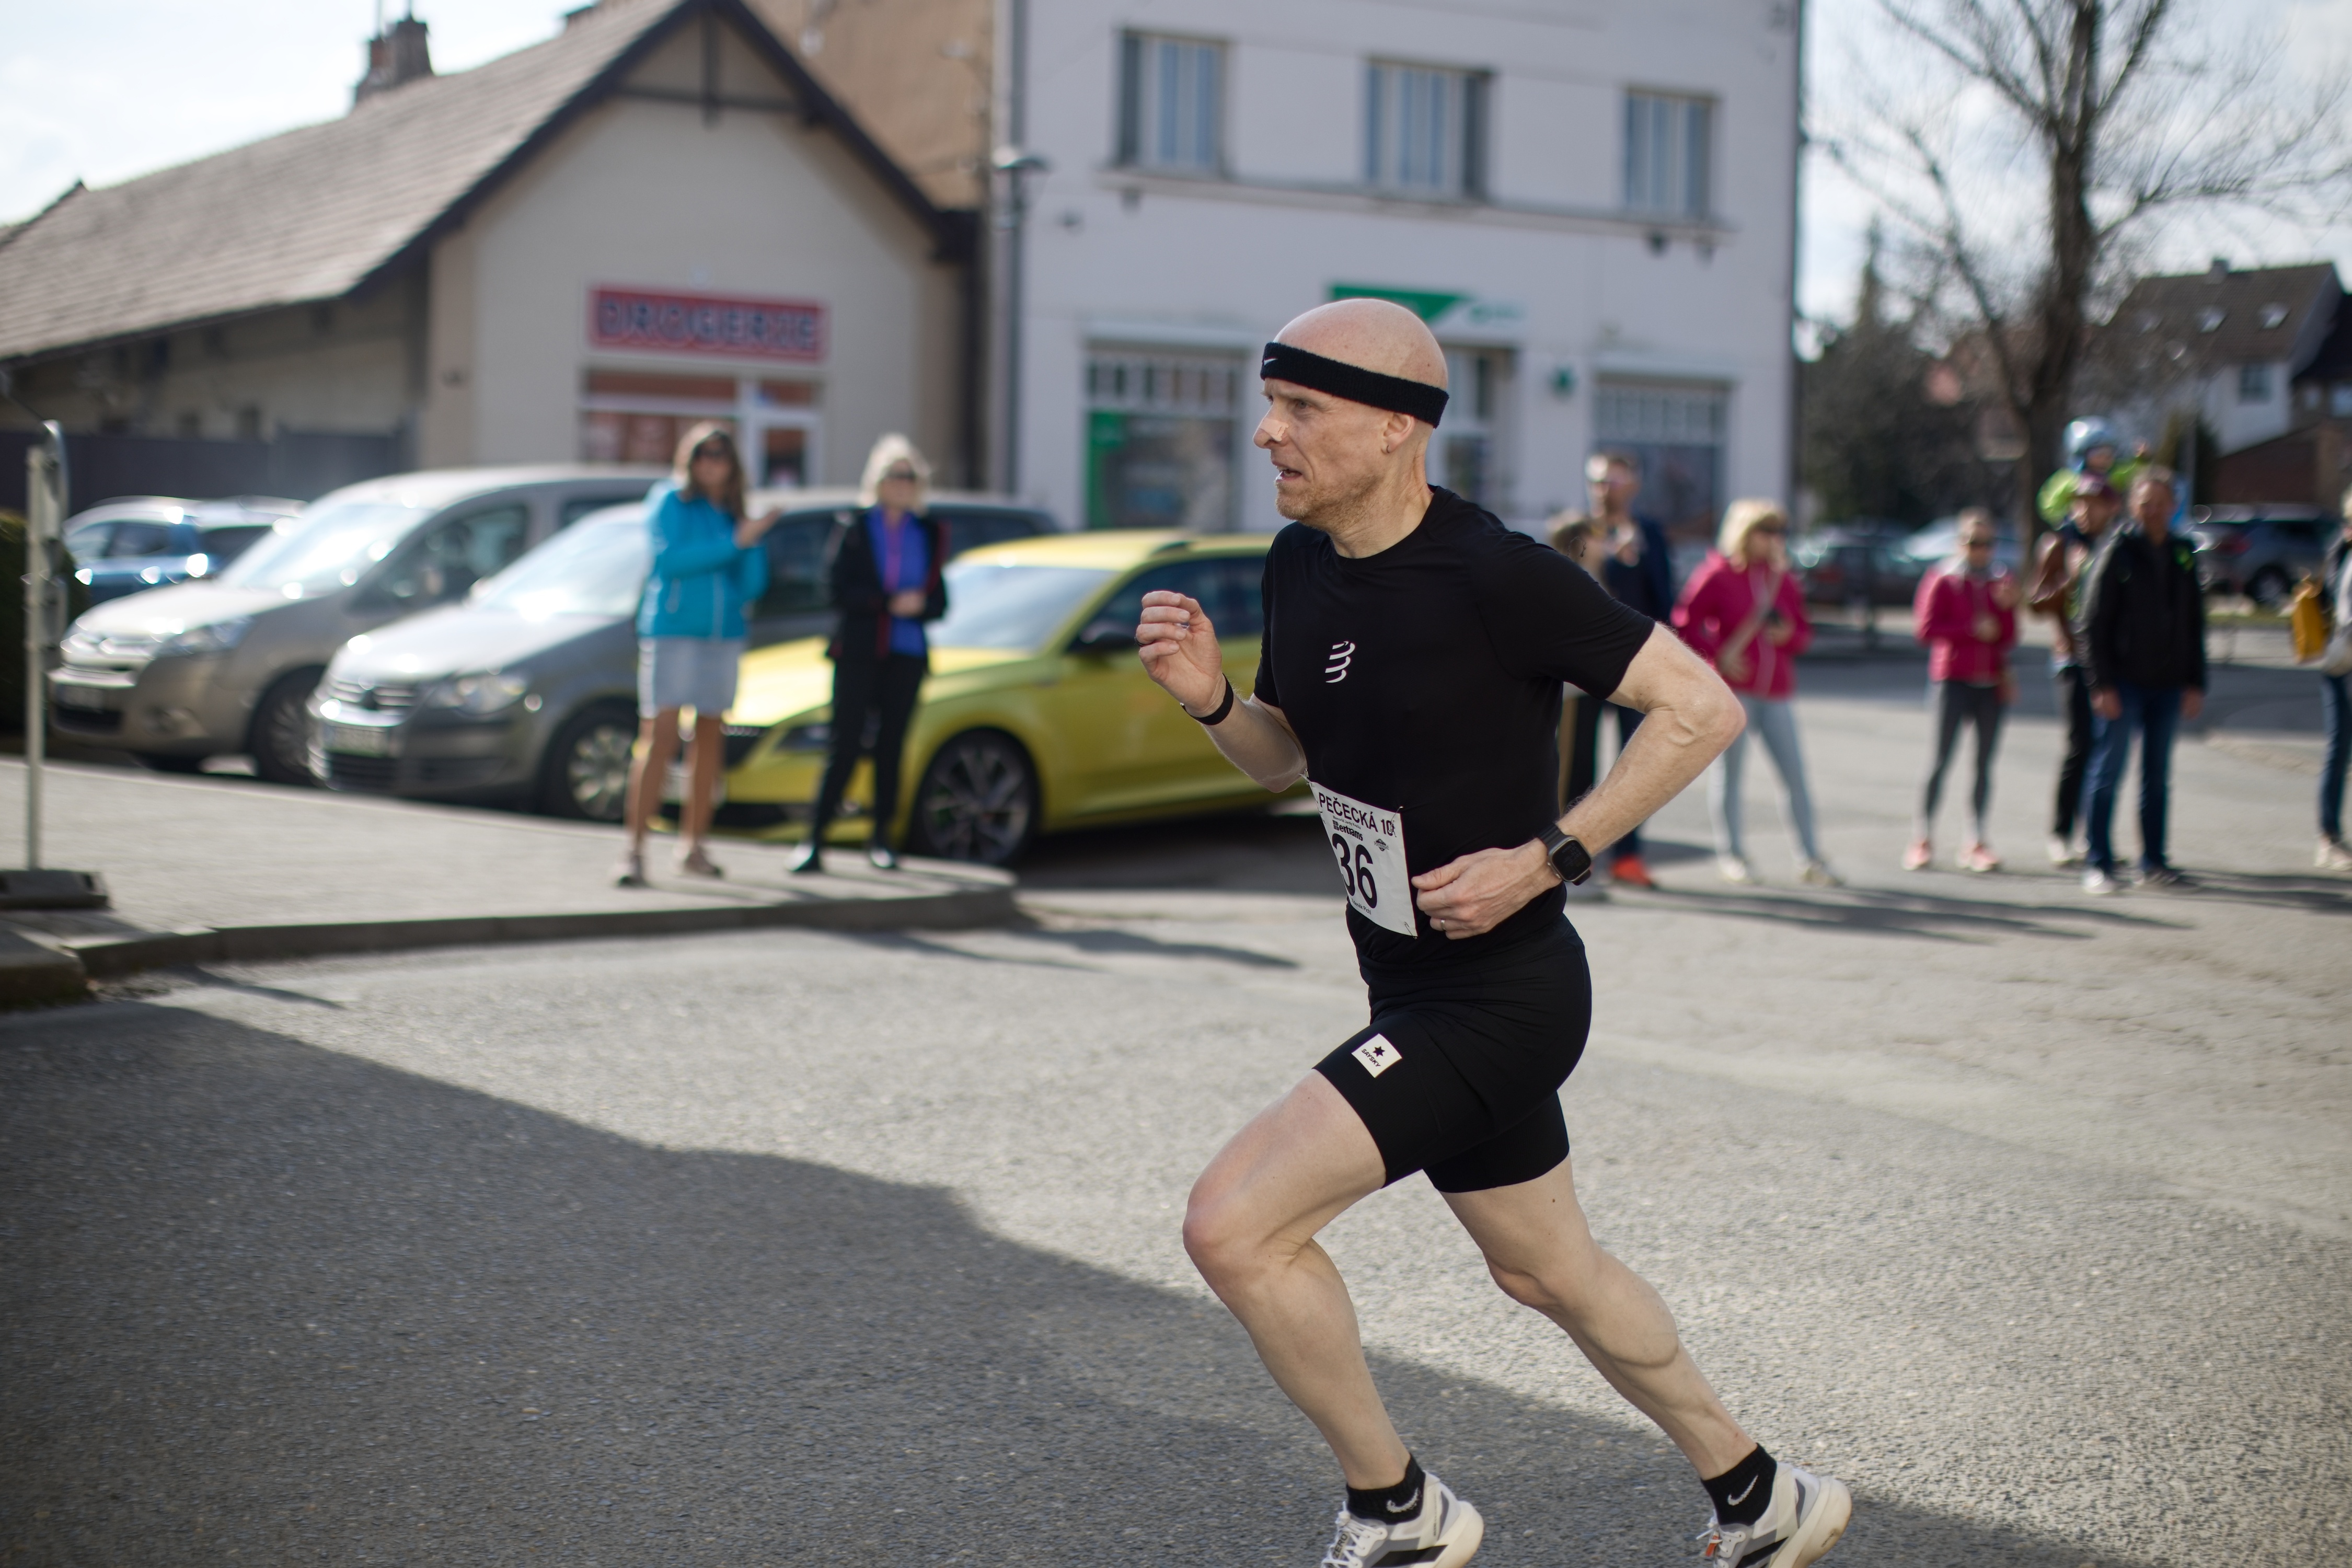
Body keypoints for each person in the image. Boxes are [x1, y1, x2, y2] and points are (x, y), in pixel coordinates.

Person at [1136, 297, 1851, 1568]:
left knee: (1232, 1224)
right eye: (1270, 404)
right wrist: (1214, 702)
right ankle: (1762, 1493)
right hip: (1407, 983)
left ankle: (1398, 1511)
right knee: (1547, 1272)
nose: (1267, 432)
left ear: (1396, 428)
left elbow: (1700, 708)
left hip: (1500, 998)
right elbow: (1286, 758)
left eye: (1300, 408)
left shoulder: (1497, 575)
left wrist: (1549, 856)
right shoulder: (1298, 562)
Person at [616, 424, 776, 887]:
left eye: (720, 454)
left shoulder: (734, 512)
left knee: (710, 738)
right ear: (689, 459)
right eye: (703, 453)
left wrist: (753, 540)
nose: (711, 462)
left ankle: (694, 847)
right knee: (660, 737)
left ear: (732, 463)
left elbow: (752, 586)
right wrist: (735, 543)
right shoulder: (669, 500)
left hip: (724, 637)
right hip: (673, 633)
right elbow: (670, 561)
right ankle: (634, 850)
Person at [794, 434, 948, 874]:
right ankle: (815, 838)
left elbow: (940, 601)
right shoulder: (856, 527)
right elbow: (835, 589)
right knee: (844, 744)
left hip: (907, 652)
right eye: (894, 476)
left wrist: (920, 605)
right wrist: (885, 603)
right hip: (860, 651)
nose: (902, 484)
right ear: (877, 482)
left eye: (909, 477)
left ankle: (881, 838)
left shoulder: (928, 532)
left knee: (891, 748)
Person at [1672, 501, 1841, 887]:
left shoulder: (1784, 579)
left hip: (1777, 691)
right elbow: (1685, 625)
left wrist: (1789, 636)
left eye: (1779, 532)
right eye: (1766, 531)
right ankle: (1733, 856)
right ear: (1745, 534)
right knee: (1730, 777)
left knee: (1794, 776)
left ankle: (1810, 857)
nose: (1774, 540)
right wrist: (1717, 657)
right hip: (1734, 693)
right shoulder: (1717, 574)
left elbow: (1803, 634)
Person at [2077, 467, 2205, 894]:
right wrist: (2101, 685)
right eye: (2145, 503)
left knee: (2157, 776)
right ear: (2133, 506)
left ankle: (2153, 861)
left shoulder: (2183, 553)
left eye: (2161, 503)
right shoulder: (2118, 552)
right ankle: (2098, 862)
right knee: (2108, 772)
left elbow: (2194, 622)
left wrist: (2195, 681)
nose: (2153, 511)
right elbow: (2091, 623)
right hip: (2123, 684)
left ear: (2174, 506)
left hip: (2168, 685)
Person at [1904, 509, 2020, 872]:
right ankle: (1922, 837)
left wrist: (2007, 609)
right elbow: (1925, 630)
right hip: (1951, 681)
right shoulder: (1943, 578)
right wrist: (1971, 629)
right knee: (1939, 760)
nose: (1979, 550)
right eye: (1972, 542)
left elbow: (2009, 636)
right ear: (1960, 543)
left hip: (1990, 683)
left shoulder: (2001, 581)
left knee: (1984, 765)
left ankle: (1976, 840)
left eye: (1986, 543)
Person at [1585, 451, 1677, 888]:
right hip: (1582, 669)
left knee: (1636, 768)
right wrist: (1603, 556)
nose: (1606, 491)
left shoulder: (1650, 533)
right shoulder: (1577, 531)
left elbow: (1665, 598)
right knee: (1578, 767)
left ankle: (1628, 857)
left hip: (1636, 668)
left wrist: (1636, 556)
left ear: (1634, 487)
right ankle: (1576, 857)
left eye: (1615, 482)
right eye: (1599, 482)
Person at [2026, 474, 2122, 867]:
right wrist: (2071, 581)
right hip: (2072, 657)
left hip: (2111, 659)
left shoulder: (2117, 544)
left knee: (2108, 749)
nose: (2085, 511)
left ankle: (2093, 834)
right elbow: (2035, 602)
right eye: (2079, 503)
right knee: (2080, 744)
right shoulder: (2059, 545)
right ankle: (2061, 832)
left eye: (2093, 503)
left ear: (2110, 508)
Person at [1544, 514, 1611, 903]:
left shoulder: (1589, 575)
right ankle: (1557, 871)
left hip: (1587, 693)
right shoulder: (1564, 578)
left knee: (1583, 777)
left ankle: (1575, 867)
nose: (1604, 544)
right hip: (1569, 694)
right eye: (1595, 537)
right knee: (1565, 782)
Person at [2312, 488, 2352, 871]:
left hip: (2339, 658)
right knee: (2339, 749)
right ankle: (2329, 836)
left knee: (2340, 749)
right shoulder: (2340, 553)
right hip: (2341, 662)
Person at [2036, 416, 2146, 529]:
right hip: (2077, 531)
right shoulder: (2071, 480)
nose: (2105, 458)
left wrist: (2142, 461)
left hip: (2108, 528)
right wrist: (2065, 518)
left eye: (2108, 453)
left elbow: (2134, 474)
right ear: (2082, 456)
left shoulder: (2113, 475)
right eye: (2098, 454)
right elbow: (2049, 503)